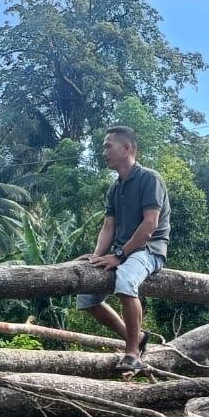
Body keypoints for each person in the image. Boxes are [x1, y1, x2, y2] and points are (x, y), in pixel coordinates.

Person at [77, 125, 169, 376]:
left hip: (149, 250)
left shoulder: (150, 179)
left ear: (127, 148)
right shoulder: (114, 189)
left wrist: (119, 256)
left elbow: (150, 225)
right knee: (86, 298)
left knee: (126, 280)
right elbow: (108, 227)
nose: (104, 151)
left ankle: (132, 354)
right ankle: (138, 337)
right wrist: (98, 255)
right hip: (123, 252)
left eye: (108, 146)